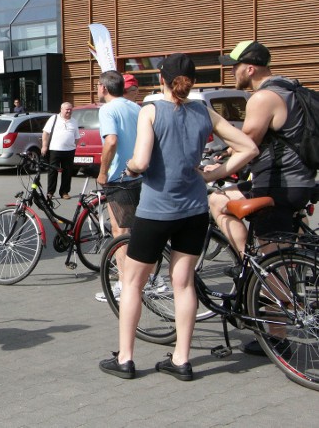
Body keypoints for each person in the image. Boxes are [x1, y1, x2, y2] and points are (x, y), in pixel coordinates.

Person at [99, 53, 257, 381]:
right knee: (183, 283)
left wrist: (128, 167)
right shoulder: (203, 111)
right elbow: (248, 148)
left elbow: (141, 162)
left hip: (156, 211)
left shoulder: (151, 110)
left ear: (161, 78)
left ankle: (126, 359)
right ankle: (181, 360)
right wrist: (212, 176)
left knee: (132, 282)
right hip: (195, 211)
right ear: (193, 80)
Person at [208, 40, 315, 355]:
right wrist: (224, 152)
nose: (232, 70)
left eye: (234, 65)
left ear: (249, 68)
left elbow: (248, 143)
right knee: (278, 251)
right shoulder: (292, 90)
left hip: (277, 186)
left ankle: (255, 271)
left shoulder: (263, 98)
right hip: (302, 184)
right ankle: (262, 270)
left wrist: (213, 171)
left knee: (217, 200)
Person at [93, 70, 141, 303]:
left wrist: (102, 172)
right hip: (140, 175)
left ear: (103, 87)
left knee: (121, 232)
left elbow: (111, 141)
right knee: (137, 231)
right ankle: (147, 278)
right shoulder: (135, 107)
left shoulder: (108, 110)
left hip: (119, 178)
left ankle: (124, 284)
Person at [40, 102, 80, 199]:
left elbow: (77, 137)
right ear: (61, 109)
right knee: (53, 171)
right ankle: (50, 192)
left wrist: (74, 146)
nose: (69, 111)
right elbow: (45, 133)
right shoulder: (53, 119)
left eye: (70, 109)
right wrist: (44, 146)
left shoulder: (74, 121)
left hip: (69, 150)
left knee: (67, 172)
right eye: (67, 109)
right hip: (55, 149)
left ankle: (64, 192)